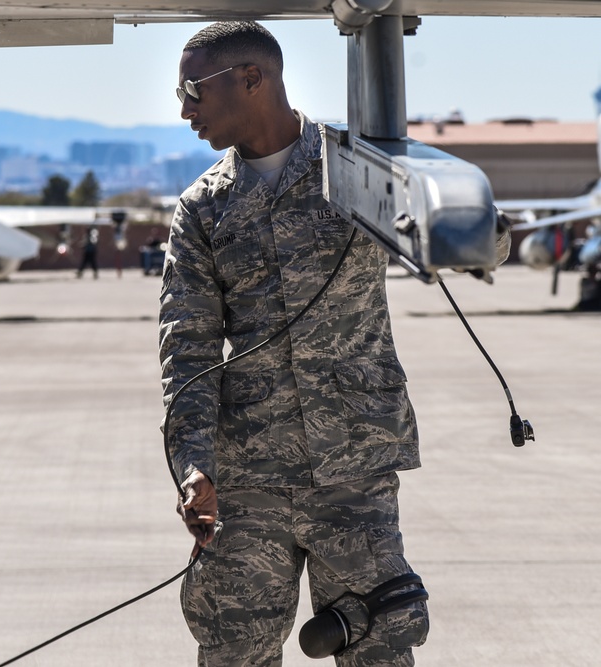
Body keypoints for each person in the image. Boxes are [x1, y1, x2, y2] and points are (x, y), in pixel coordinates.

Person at [159, 21, 510, 667]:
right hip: (248, 479)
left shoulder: (356, 171)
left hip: (354, 471)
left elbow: (478, 236)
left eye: (192, 90)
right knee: (232, 648)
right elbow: (189, 348)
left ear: (252, 78)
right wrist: (193, 462)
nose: (183, 109)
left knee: (377, 647)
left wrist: (470, 223)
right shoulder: (203, 208)